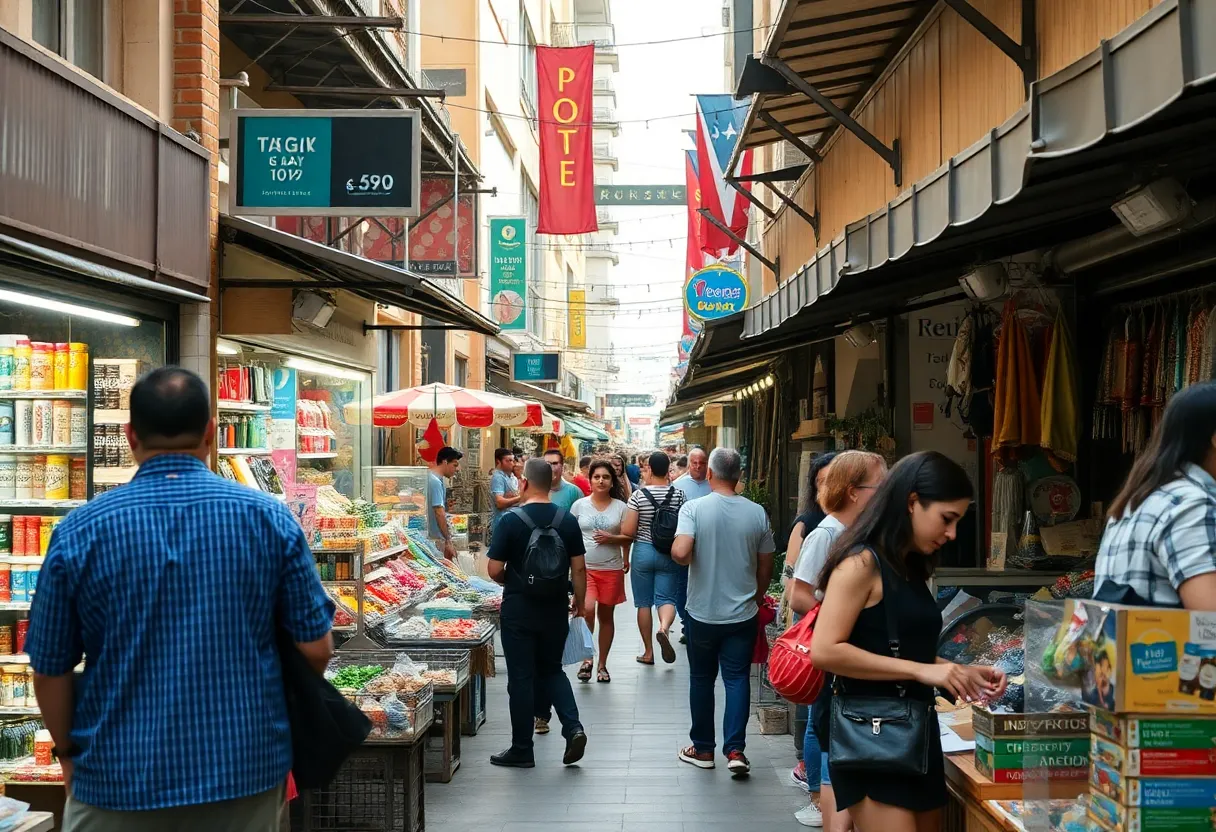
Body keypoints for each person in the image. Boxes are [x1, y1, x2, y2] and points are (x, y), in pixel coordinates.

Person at [28, 367, 334, 831]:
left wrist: (69, 756)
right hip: (243, 773)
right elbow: (316, 647)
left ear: (131, 435)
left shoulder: (79, 530)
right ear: (211, 432)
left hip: (115, 779)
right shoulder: (268, 520)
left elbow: (49, 668)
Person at [812, 451, 1007, 832]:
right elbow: (825, 650)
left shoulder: (909, 565)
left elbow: (895, 646)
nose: (951, 534)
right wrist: (924, 670)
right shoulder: (861, 563)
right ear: (913, 503)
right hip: (871, 734)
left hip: (915, 733)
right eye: (947, 519)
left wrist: (959, 672)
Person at [789, 451, 888, 829]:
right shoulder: (826, 533)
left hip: (851, 650)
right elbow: (799, 596)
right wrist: (844, 607)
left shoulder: (863, 534)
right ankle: (820, 796)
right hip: (832, 651)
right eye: (880, 486)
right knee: (822, 723)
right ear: (852, 492)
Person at [671, 447, 774, 775]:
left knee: (701, 679)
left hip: (701, 612)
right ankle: (735, 752)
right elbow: (766, 563)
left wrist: (682, 550)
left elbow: (681, 552)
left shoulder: (693, 509)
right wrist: (757, 597)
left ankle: (703, 750)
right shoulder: (757, 513)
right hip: (742, 614)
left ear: (711, 474)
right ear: (739, 476)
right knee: (736, 679)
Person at [487, 458, 589, 768]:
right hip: (555, 607)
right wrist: (579, 603)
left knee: (521, 678)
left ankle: (522, 749)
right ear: (551, 483)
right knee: (552, 669)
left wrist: (515, 580)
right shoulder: (567, 520)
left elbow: (493, 570)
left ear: (524, 483)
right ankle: (573, 728)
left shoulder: (510, 520)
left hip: (519, 609)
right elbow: (580, 568)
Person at [1095, 382, 1216, 609]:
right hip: (1164, 644)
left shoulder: (1137, 501)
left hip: (1128, 643)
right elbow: (1209, 616)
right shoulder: (1193, 505)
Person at [786, 450, 836, 801]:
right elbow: (793, 583)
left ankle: (816, 779)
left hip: (828, 626)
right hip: (812, 625)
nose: (827, 488)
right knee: (813, 703)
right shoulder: (811, 525)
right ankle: (812, 777)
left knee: (820, 706)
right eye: (821, 482)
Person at [622, 451, 687, 665]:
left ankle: (648, 652)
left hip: (643, 551)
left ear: (649, 469)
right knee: (666, 598)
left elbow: (629, 531)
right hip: (668, 552)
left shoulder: (639, 496)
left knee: (643, 603)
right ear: (668, 470)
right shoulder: (679, 495)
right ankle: (664, 628)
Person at [570, 460, 631, 683]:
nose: (601, 481)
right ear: (590, 480)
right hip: (585, 568)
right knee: (586, 610)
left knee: (606, 617)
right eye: (597, 477)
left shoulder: (621, 507)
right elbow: (571, 536)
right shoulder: (579, 506)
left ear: (612, 481)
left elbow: (629, 536)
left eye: (606, 477)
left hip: (611, 568)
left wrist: (613, 540)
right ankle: (587, 659)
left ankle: (602, 665)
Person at [671, 447, 712, 640]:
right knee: (682, 585)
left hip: (709, 546)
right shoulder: (678, 485)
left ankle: (700, 623)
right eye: (694, 463)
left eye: (701, 463)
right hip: (685, 544)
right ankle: (686, 623)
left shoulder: (714, 484)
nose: (697, 467)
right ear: (688, 464)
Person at [428, 446, 463, 560]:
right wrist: (447, 539)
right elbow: (439, 512)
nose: (457, 469)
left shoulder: (437, 479)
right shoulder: (435, 482)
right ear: (444, 462)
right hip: (433, 538)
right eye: (455, 465)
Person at [490, 448, 521, 530]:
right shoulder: (498, 477)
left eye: (513, 460)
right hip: (502, 522)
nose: (512, 463)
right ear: (498, 461)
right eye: (509, 461)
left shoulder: (512, 477)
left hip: (512, 522)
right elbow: (500, 503)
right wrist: (520, 498)